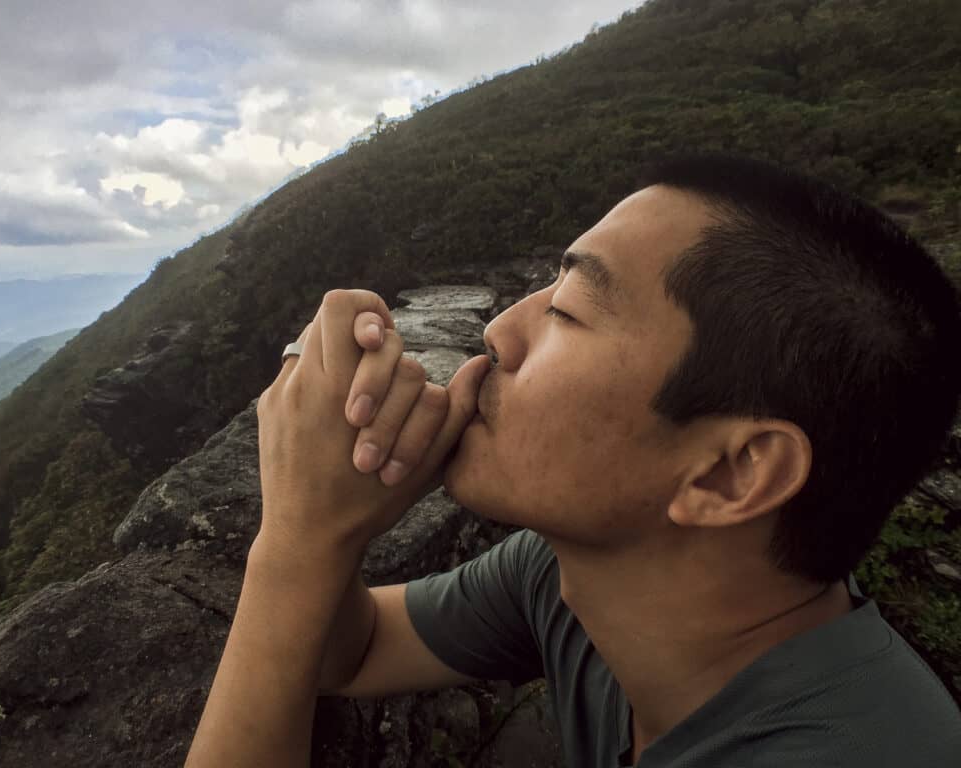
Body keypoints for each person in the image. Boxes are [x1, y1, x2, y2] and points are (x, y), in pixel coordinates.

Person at [185, 152, 961, 768]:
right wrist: (324, 527)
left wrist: (292, 540)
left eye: (567, 311)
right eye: (542, 288)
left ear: (732, 473)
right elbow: (350, 654)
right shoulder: (571, 583)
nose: (500, 332)